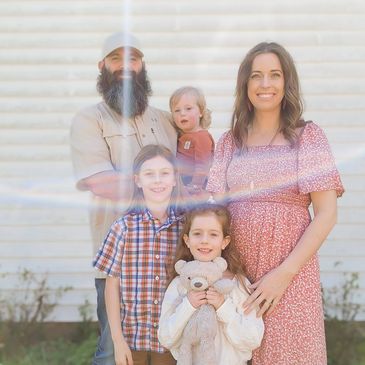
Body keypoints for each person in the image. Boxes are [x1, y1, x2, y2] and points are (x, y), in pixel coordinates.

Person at [206, 42, 344, 365]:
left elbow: (326, 214)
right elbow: (213, 213)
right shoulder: (230, 142)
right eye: (256, 76)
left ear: (286, 82)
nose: (265, 84)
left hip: (291, 277)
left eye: (274, 75)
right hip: (238, 279)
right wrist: (225, 274)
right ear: (246, 84)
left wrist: (283, 274)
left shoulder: (307, 137)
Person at [70, 32, 177, 365]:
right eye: (116, 59)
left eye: (132, 58)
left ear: (142, 65)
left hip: (172, 257)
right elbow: (99, 182)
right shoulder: (90, 120)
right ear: (102, 66)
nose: (125, 66)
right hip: (120, 261)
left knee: (169, 349)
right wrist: (157, 183)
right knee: (115, 352)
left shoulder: (166, 119)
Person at [93, 145, 185, 365]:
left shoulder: (186, 227)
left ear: (174, 178)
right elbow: (111, 285)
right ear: (138, 180)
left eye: (164, 173)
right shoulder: (123, 227)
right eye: (149, 174)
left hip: (172, 340)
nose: (157, 180)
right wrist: (117, 340)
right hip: (132, 340)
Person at [158, 204, 264, 365]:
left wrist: (223, 306)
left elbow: (253, 339)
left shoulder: (238, 284)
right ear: (187, 240)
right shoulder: (179, 285)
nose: (204, 240)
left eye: (213, 234)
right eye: (197, 234)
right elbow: (165, 338)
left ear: (224, 241)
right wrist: (188, 305)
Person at [170, 86, 214, 195]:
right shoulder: (181, 135)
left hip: (193, 188)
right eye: (177, 110)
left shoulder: (202, 137)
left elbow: (203, 165)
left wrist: (195, 186)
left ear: (201, 112)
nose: (182, 114)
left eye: (188, 108)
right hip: (180, 186)